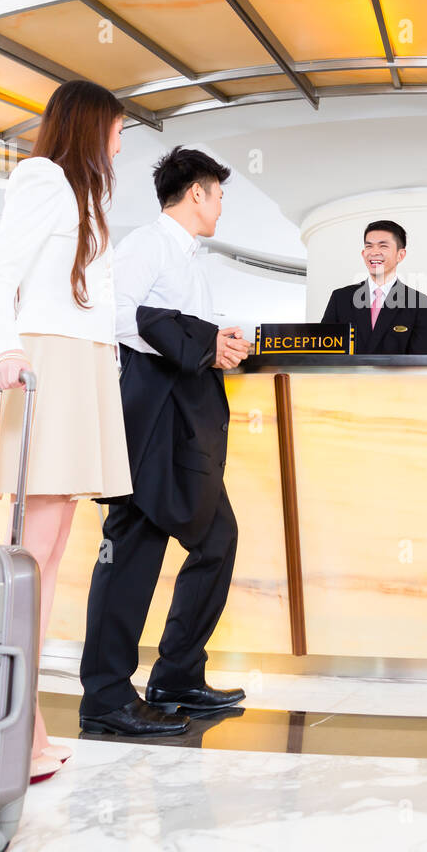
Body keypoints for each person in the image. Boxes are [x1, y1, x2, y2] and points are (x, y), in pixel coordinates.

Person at [0, 79, 132, 783]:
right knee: (33, 560)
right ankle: (13, 732)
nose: (121, 143)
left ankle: (24, 728)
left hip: (84, 365)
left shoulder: (89, 198)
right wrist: (5, 347)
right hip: (48, 363)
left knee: (54, 552)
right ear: (91, 126)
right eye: (117, 130)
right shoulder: (43, 178)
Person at [79, 147, 251, 737]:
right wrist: (204, 341)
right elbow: (117, 315)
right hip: (149, 422)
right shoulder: (145, 246)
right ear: (197, 193)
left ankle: (176, 676)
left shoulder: (189, 258)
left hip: (186, 424)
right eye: (219, 194)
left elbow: (180, 330)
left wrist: (217, 347)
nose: (222, 205)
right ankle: (104, 697)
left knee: (217, 540)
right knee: (132, 549)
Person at [321, 219, 427, 354]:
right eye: (369, 246)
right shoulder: (341, 298)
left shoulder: (419, 303)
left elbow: (420, 361)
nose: (374, 252)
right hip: (348, 376)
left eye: (383, 246)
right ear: (363, 254)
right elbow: (323, 351)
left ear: (400, 255)